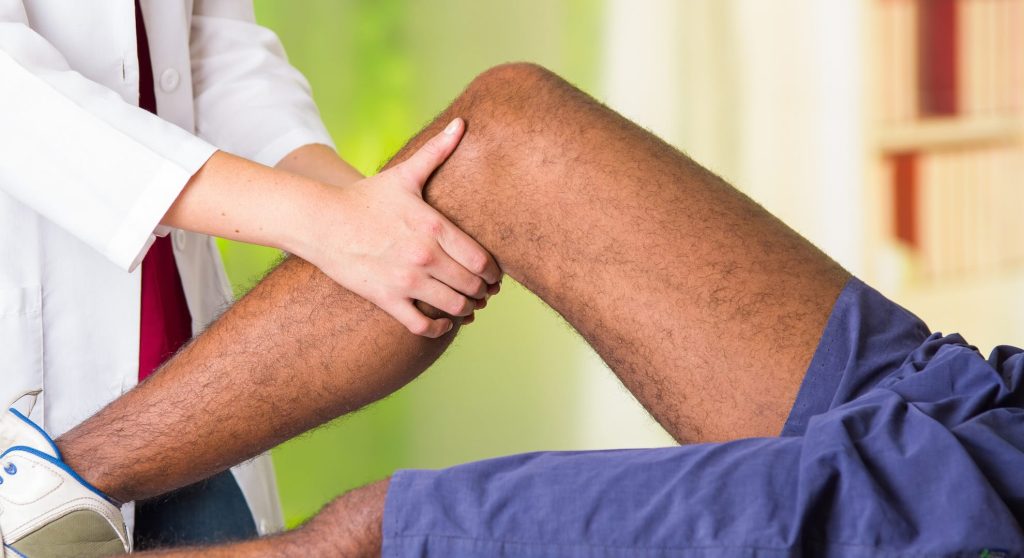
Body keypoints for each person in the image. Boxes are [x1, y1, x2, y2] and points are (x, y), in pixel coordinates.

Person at [5, 63, 1023, 557]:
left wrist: (321, 215)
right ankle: (40, 494)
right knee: (505, 143)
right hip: (999, 421)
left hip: (980, 521)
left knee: (373, 537)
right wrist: (350, 214)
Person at [0, 0, 497, 549]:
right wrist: (323, 220)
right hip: (32, 382)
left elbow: (213, 51)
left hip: (190, 396)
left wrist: (367, 208)